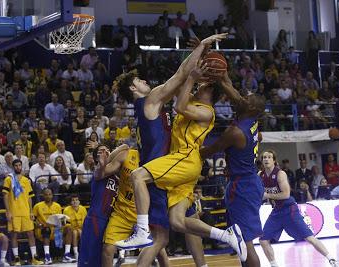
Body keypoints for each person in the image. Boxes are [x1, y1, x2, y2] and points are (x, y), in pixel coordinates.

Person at [117, 39, 247, 263]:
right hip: (169, 166)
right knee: (177, 224)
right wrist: (201, 51)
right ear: (132, 88)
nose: (144, 80)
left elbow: (182, 79)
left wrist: (200, 51)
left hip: (178, 163)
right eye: (139, 79)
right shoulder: (151, 100)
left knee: (160, 235)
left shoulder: (203, 111)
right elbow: (182, 78)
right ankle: (225, 236)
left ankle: (141, 231)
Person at [200, 70, 265, 266]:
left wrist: (185, 150)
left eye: (247, 96)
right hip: (248, 183)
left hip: (242, 186)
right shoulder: (251, 118)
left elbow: (209, 151)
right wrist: (217, 65)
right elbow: (231, 88)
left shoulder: (235, 132)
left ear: (250, 106)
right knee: (241, 241)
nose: (242, 95)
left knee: (245, 242)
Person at [259, 150, 339, 267]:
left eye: (269, 157)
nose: (266, 159)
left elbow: (286, 194)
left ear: (274, 160)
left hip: (289, 209)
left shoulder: (280, 174)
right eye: (264, 157)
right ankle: (274, 265)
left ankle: (332, 259)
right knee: (263, 240)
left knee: (309, 238)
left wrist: (267, 195)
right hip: (276, 211)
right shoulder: (260, 175)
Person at [78, 145, 121, 267]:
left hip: (110, 220)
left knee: (104, 256)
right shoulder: (99, 171)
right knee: (89, 258)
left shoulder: (117, 176)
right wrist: (102, 164)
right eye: (101, 151)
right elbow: (98, 173)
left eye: (107, 150)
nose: (105, 152)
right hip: (95, 219)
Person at [2, 159, 43, 265]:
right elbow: (5, 196)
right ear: (13, 166)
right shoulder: (8, 179)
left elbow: (30, 197)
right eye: (16, 165)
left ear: (22, 166)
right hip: (14, 212)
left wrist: (31, 211)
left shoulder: (26, 180)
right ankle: (16, 258)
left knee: (30, 233)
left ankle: (35, 257)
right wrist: (7, 211)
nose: (18, 167)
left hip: (25, 212)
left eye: (20, 165)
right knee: (14, 235)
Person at [32, 188, 63, 264]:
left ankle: (67, 254)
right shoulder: (37, 206)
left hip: (55, 229)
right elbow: (33, 219)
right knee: (46, 229)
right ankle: (47, 256)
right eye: (46, 195)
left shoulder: (57, 206)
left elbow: (60, 219)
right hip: (42, 229)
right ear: (43, 196)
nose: (48, 196)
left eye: (49, 194)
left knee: (69, 229)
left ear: (52, 195)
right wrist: (38, 224)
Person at [63, 195, 87, 262]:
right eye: (73, 200)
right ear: (70, 202)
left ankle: (83, 253)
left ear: (79, 201)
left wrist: (80, 229)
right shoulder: (67, 210)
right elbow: (67, 224)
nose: (75, 202)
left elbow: (85, 223)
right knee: (75, 232)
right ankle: (76, 253)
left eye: (76, 200)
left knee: (79, 231)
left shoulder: (83, 209)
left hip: (80, 229)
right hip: (70, 230)